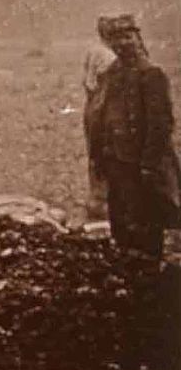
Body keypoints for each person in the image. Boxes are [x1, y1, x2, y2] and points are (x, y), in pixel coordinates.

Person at [91, 15, 181, 258]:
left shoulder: (151, 75)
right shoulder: (111, 74)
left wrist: (149, 164)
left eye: (127, 37)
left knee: (146, 222)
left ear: (137, 39)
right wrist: (99, 155)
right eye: (116, 38)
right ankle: (128, 269)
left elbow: (160, 124)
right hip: (115, 161)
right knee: (120, 219)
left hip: (139, 164)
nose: (122, 43)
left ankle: (148, 273)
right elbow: (99, 115)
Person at [83, 16, 120, 219]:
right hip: (103, 107)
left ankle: (96, 197)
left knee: (95, 152)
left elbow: (86, 80)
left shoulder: (93, 50)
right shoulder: (109, 57)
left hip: (92, 104)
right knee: (106, 152)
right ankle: (102, 200)